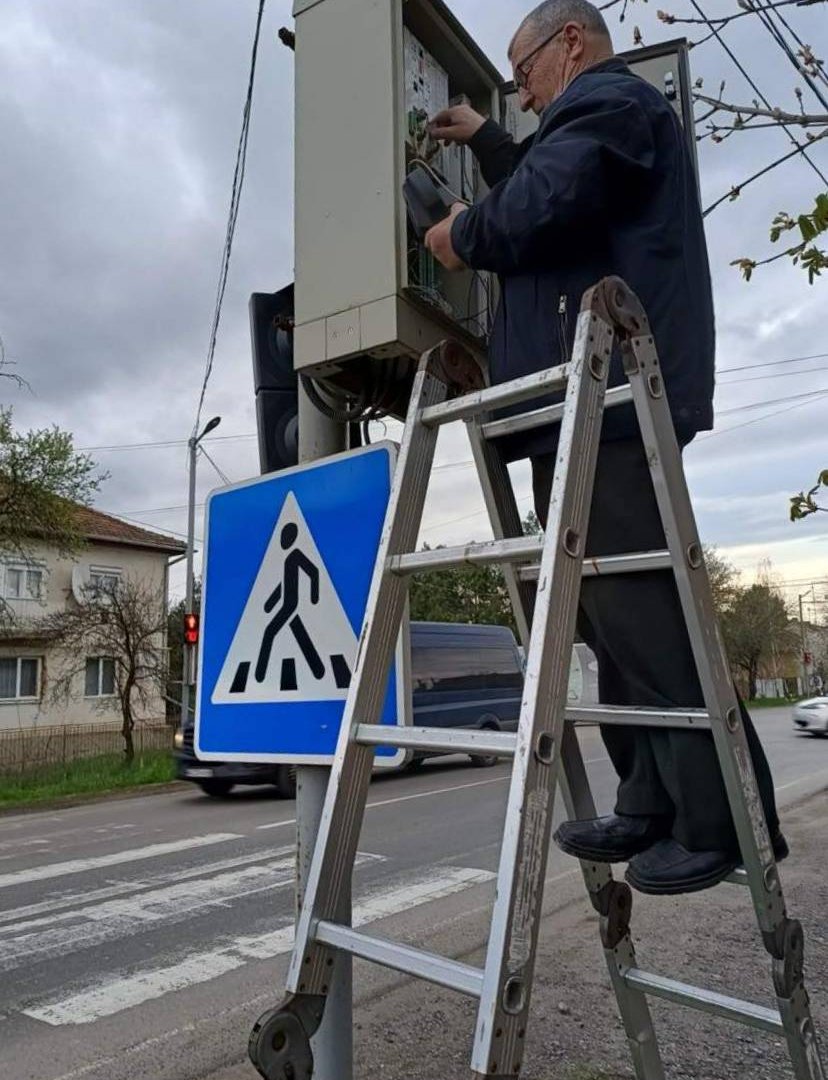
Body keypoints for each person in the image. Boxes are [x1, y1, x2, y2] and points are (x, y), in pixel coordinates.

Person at [424, 0, 787, 895]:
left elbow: (546, 200)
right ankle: (648, 799)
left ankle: (722, 821)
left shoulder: (612, 102)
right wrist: (486, 142)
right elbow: (548, 184)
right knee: (603, 618)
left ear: (571, 43)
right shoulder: (589, 121)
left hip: (616, 399)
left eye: (523, 75)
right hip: (580, 403)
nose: (521, 95)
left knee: (644, 612)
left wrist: (462, 233)